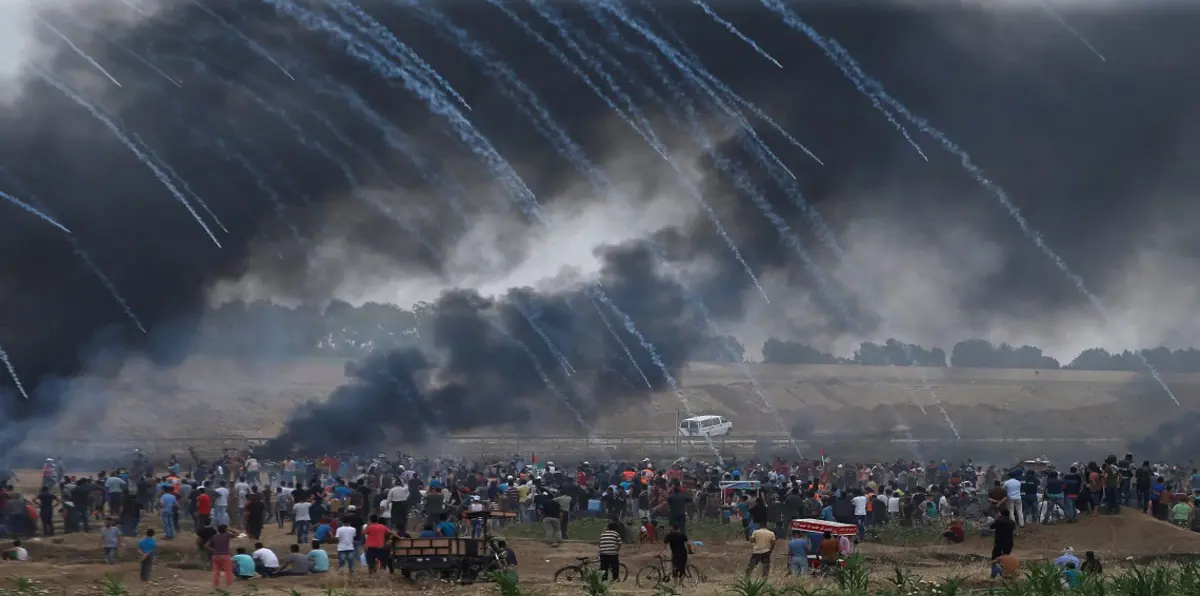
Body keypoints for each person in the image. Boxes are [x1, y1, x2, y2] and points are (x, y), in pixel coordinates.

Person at [205, 524, 237, 588]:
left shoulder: (214, 536)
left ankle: (216, 584)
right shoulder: (227, 535)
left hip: (215, 556)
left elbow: (206, 545)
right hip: (225, 555)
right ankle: (228, 584)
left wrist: (213, 550)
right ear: (225, 529)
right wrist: (229, 529)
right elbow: (237, 534)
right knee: (228, 570)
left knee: (216, 570)